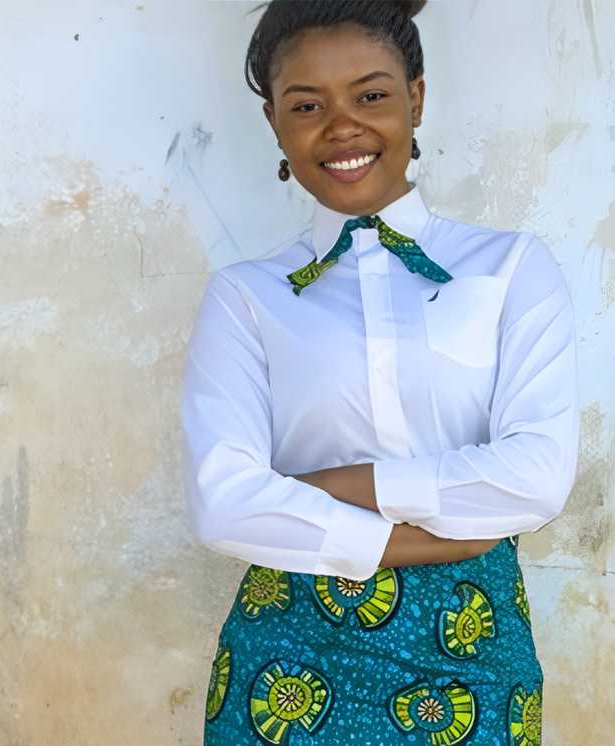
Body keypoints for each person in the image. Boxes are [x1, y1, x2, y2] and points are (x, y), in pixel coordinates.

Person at [180, 1, 578, 742]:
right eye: (307, 105)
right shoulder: (244, 296)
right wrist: (433, 533)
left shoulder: (511, 269)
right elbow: (224, 505)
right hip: (286, 655)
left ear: (416, 98)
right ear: (274, 122)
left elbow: (537, 476)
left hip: (473, 643)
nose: (342, 127)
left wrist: (322, 492)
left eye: (371, 95)